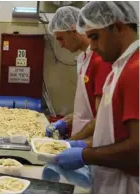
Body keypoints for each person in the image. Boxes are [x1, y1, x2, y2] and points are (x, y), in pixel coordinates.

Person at [55, 2, 139, 193]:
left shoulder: (135, 71)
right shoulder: (118, 69)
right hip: (110, 179)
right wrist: (79, 144)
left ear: (118, 27)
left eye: (94, 37)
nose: (91, 47)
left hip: (127, 185)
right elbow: (112, 131)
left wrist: (85, 154)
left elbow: (137, 150)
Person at [46, 6, 112, 145]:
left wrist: (72, 143)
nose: (61, 45)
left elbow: (102, 116)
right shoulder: (84, 59)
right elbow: (86, 111)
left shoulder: (100, 61)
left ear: (73, 30)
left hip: (94, 145)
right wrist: (66, 121)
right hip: (84, 140)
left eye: (61, 39)